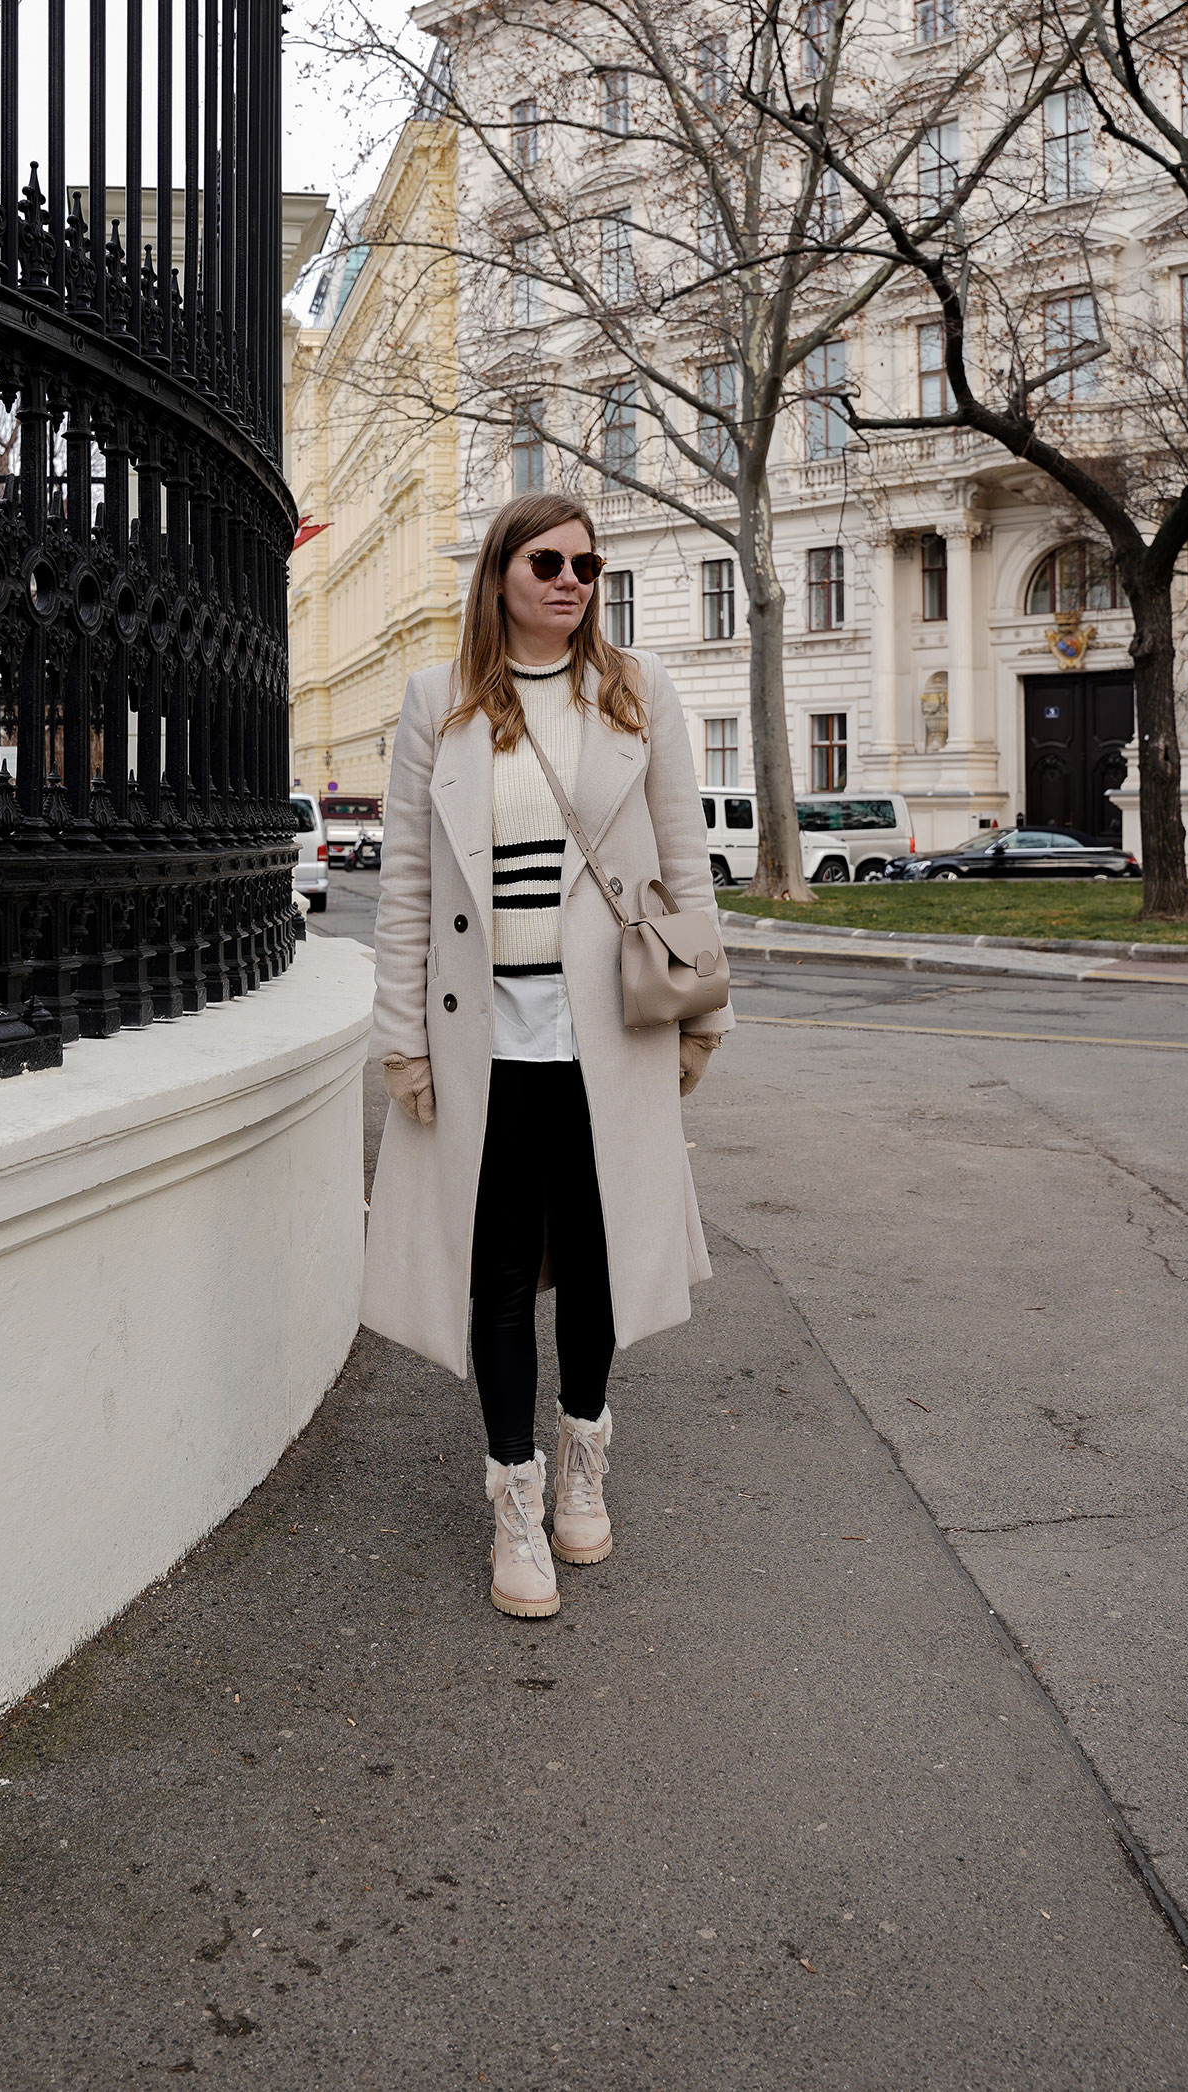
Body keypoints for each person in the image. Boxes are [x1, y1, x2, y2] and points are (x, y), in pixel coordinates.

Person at [363, 491, 732, 1618]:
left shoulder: (635, 692)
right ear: (501, 574)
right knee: (492, 1275)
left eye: (584, 563)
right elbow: (410, 890)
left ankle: (583, 1457)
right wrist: (400, 1042)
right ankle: (511, 1494)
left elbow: (682, 860)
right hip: (483, 1036)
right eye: (546, 561)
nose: (570, 580)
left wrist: (704, 1009)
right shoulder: (439, 703)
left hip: (605, 1033)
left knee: (596, 1259)